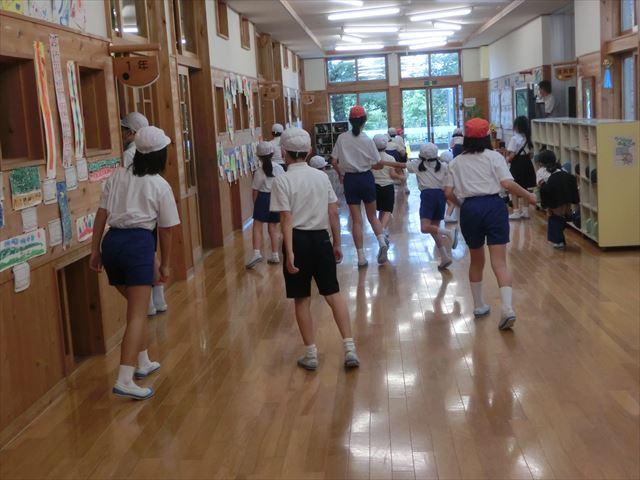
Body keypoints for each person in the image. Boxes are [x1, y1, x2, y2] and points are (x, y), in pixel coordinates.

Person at [90, 126, 180, 400]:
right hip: (138, 245)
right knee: (138, 314)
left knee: (135, 306)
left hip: (112, 244)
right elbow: (166, 230)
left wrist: (95, 251)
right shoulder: (159, 185)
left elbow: (101, 214)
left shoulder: (117, 175)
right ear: (161, 155)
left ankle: (142, 360)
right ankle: (125, 378)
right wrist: (165, 264)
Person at [269, 127, 360, 371]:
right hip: (321, 239)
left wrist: (289, 253)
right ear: (309, 151)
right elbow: (333, 211)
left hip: (297, 240)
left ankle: (311, 354)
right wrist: (337, 242)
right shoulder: (321, 177)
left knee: (302, 298)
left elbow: (286, 218)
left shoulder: (282, 180)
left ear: (283, 152)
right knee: (333, 293)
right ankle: (350, 348)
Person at [444, 118, 537, 331]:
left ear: (466, 138)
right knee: (500, 263)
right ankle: (507, 308)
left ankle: (479, 306)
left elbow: (448, 192)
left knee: (476, 261)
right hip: (494, 207)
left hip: (470, 209)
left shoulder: (455, 162)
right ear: (487, 136)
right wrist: (529, 195)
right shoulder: (495, 157)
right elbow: (507, 183)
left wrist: (462, 204)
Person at [331, 105, 397, 267]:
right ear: (364, 121)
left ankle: (361, 257)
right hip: (366, 178)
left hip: (350, 180)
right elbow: (379, 164)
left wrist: (340, 174)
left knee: (356, 220)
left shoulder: (342, 138)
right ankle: (382, 242)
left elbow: (334, 161)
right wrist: (371, 166)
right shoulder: (367, 139)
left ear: (350, 120)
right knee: (372, 216)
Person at [406, 143, 458, 269]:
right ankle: (444, 257)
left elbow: (401, 165)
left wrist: (382, 162)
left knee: (425, 228)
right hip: (441, 196)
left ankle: (449, 232)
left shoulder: (417, 165)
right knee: (434, 229)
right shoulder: (444, 166)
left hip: (428, 196)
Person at [246, 141, 285, 268]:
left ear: (258, 156)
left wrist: (256, 205)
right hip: (276, 198)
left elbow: (255, 191)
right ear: (273, 153)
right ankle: (275, 255)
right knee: (273, 227)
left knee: (257, 226)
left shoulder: (259, 171)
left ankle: (257, 253)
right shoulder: (279, 168)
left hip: (263, 198)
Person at [538, 150, 580, 249]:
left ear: (541, 162)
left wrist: (547, 207)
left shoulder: (540, 171)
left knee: (554, 216)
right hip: (568, 192)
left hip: (554, 193)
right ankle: (569, 217)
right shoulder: (561, 168)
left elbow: (543, 187)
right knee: (563, 215)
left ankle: (558, 241)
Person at [372, 134, 405, 239]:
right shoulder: (390, 158)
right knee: (387, 210)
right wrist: (401, 177)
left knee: (379, 210)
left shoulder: (370, 158)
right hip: (387, 186)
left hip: (373, 187)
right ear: (386, 145)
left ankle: (380, 232)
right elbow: (392, 174)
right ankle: (381, 231)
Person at [506, 116, 536, 220]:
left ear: (517, 126)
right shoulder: (528, 138)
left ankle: (516, 211)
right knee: (525, 188)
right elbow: (531, 155)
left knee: (513, 187)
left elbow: (512, 155)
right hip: (527, 164)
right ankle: (525, 211)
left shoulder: (514, 139)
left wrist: (506, 160)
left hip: (517, 164)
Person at [440, 150, 459, 223]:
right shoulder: (449, 166)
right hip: (446, 188)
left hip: (439, 188)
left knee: (449, 203)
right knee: (452, 203)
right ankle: (447, 216)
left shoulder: (440, 165)